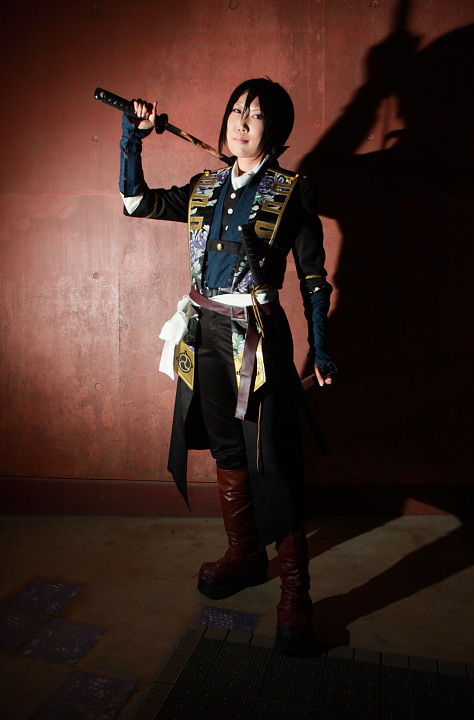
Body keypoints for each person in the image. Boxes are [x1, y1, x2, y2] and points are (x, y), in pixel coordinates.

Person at [119, 78, 335, 654]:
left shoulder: (293, 191)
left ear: (275, 130)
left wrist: (321, 346)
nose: (241, 122)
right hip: (205, 331)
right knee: (226, 448)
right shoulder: (205, 185)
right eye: (237, 110)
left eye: (256, 116)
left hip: (257, 338)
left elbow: (314, 279)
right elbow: (136, 203)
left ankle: (296, 593)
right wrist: (133, 139)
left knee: (273, 459)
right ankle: (244, 555)